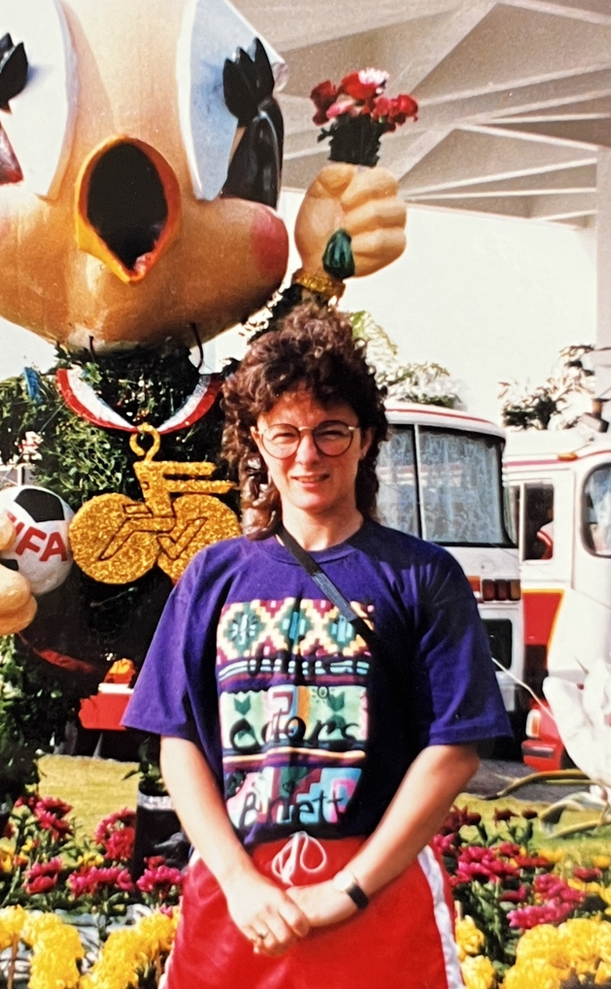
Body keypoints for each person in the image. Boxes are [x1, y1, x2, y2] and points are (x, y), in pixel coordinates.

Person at [123, 303, 511, 989]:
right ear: (256, 442)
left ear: (365, 441)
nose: (308, 455)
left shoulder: (422, 576)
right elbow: (176, 740)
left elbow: (452, 750)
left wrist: (350, 889)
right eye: (286, 433)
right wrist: (241, 883)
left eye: (331, 432)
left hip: (379, 901)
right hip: (237, 906)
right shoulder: (214, 576)